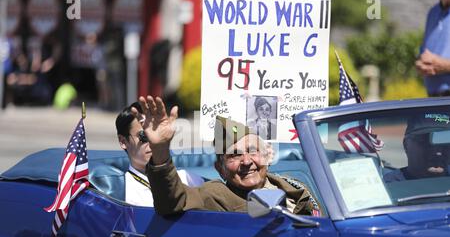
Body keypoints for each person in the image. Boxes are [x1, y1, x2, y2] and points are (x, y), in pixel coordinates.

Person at [131, 95, 321, 217]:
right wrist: (160, 150)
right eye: (234, 156)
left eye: (253, 151)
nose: (247, 161)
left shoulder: (293, 186)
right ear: (219, 168)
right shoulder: (214, 195)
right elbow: (172, 202)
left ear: (266, 155)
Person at [116, 102, 204, 206]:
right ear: (123, 141)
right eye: (144, 135)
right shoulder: (119, 192)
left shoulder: (188, 179)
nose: (154, 141)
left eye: (157, 132)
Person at [384, 113, 450, 182]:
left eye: (445, 142)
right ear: (406, 145)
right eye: (426, 142)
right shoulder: (387, 188)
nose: (438, 153)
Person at [415, 0, 450, 97]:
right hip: (433, 97)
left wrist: (445, 65)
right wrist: (420, 63)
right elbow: (423, 51)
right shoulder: (432, 12)